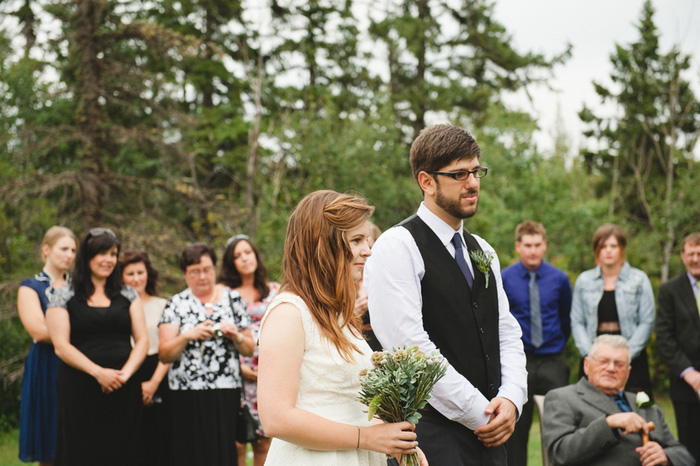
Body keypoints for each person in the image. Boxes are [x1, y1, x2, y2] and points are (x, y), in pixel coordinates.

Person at [364, 124, 527, 465]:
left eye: (476, 171)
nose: (473, 183)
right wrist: (479, 412)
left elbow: (506, 331)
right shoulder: (398, 246)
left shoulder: (483, 250)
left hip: (492, 432)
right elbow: (409, 346)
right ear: (427, 181)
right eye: (459, 174)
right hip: (431, 436)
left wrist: (512, 398)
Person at [257, 190, 426, 465]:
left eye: (366, 240)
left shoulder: (339, 318)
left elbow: (349, 400)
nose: (367, 250)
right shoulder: (288, 313)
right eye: (356, 240)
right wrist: (367, 438)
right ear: (323, 245)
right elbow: (276, 419)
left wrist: (397, 443)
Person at [46, 227, 149, 466]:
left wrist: (125, 375)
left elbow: (142, 340)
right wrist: (98, 373)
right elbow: (61, 346)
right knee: (82, 450)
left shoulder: (128, 294)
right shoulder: (63, 295)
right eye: (102, 253)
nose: (108, 260)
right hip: (80, 386)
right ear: (87, 256)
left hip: (124, 387)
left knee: (125, 449)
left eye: (113, 254)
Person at [158, 242, 255, 466]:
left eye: (207, 269)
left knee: (222, 452)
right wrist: (187, 336)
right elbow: (164, 354)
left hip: (225, 389)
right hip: (185, 391)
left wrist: (236, 337)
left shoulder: (233, 300)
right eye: (195, 271)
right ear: (185, 274)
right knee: (188, 452)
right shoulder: (177, 304)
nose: (203, 276)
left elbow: (249, 348)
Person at [543, 335, 694, 466]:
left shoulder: (646, 406)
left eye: (619, 364)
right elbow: (560, 453)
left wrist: (666, 457)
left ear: (628, 373)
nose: (611, 368)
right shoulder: (563, 398)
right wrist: (609, 423)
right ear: (587, 365)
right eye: (603, 361)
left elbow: (684, 455)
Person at [501, 221, 572, 466]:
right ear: (518, 247)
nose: (533, 250)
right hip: (521, 361)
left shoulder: (560, 279)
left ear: (545, 246)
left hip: (553, 360)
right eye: (527, 245)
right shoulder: (505, 278)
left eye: (537, 245)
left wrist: (558, 344)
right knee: (517, 427)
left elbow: (565, 318)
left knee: (558, 424)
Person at [217, 234, 280, 466]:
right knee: (237, 442)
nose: (244, 259)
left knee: (264, 441)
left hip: (270, 372)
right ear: (230, 263)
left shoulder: (274, 290)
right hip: (237, 374)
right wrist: (242, 368)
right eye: (237, 256)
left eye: (248, 252)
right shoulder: (224, 294)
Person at [571, 224, 655, 397]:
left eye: (613, 246)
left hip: (632, 358)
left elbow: (647, 321)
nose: (608, 251)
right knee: (591, 409)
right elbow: (577, 321)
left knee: (637, 409)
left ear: (622, 249)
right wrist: (591, 355)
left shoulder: (639, 279)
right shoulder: (584, 281)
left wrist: (626, 355)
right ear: (596, 250)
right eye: (603, 246)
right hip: (595, 356)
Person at [17, 226, 77, 465]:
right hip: (47, 365)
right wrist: (82, 335)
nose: (69, 255)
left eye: (73, 250)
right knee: (50, 435)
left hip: (81, 364)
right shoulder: (31, 287)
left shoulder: (80, 288)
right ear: (46, 249)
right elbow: (39, 331)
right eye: (64, 248)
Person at [119, 249, 172, 466]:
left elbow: (168, 349)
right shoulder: (116, 306)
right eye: (130, 274)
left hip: (158, 372)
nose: (136, 278)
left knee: (159, 440)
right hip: (126, 372)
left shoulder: (162, 305)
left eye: (140, 272)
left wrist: (153, 383)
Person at [656, 231, 700, 462]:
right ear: (682, 256)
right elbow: (664, 336)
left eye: (699, 253)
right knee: (689, 447)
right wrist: (689, 372)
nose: (695, 259)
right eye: (691, 253)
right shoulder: (669, 290)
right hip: (685, 386)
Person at [355, 221, 382, 351]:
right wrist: (353, 313)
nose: (367, 253)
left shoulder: (382, 278)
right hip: (358, 342)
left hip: (381, 342)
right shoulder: (344, 281)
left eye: (371, 247)